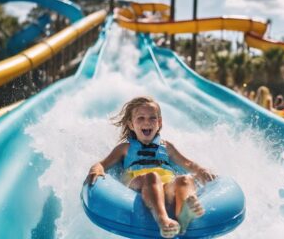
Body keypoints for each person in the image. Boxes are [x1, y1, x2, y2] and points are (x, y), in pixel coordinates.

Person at [84, 96, 216, 238]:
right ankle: (162, 220)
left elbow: (188, 164)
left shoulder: (167, 147)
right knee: (152, 177)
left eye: (152, 118)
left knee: (184, 180)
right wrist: (96, 168)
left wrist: (201, 170)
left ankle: (184, 215)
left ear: (159, 123)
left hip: (165, 187)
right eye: (140, 118)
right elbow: (102, 164)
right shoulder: (125, 148)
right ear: (131, 124)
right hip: (137, 186)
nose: (147, 122)